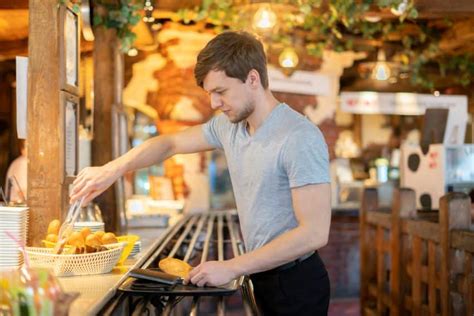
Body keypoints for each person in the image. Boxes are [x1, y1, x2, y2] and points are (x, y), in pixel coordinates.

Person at [70, 31, 331, 315]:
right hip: (264, 274)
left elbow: (314, 233)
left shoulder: (299, 136)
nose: (214, 103)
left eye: (221, 92)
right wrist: (112, 169)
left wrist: (232, 266)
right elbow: (169, 143)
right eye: (210, 94)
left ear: (253, 79)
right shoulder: (230, 127)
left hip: (297, 283)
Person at [5, 139, 27, 204]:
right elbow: (23, 194)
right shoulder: (23, 162)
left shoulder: (21, 162)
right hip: (19, 210)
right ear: (22, 149)